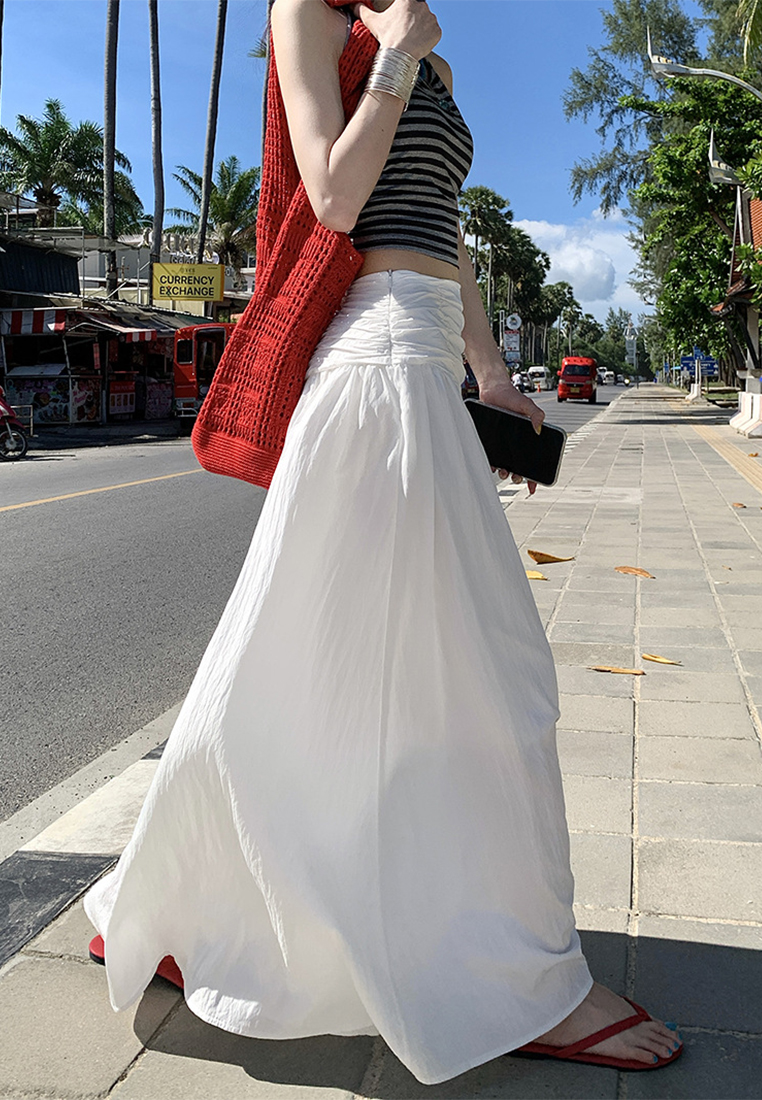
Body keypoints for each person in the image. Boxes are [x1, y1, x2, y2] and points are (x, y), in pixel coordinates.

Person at [85, 0, 682, 1084]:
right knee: (367, 671)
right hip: (366, 369)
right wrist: (397, 54)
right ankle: (517, 980)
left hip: (423, 370)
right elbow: (335, 194)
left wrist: (493, 371)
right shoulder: (305, 17)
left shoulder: (425, 52)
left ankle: (182, 895)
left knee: (403, 672)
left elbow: (443, 234)